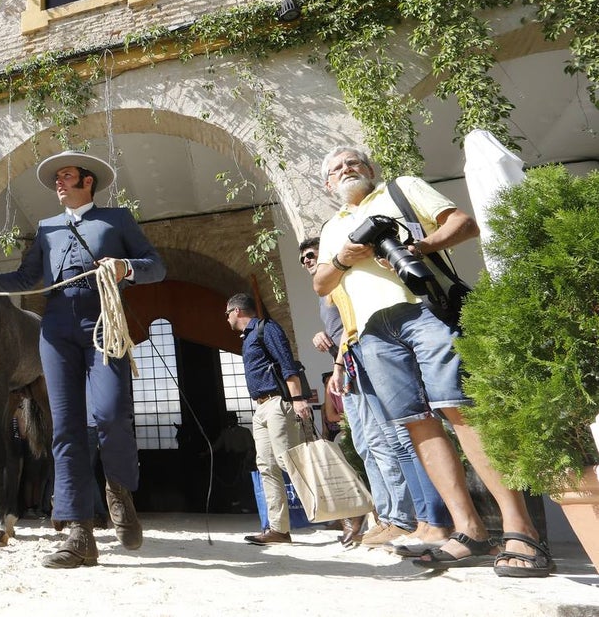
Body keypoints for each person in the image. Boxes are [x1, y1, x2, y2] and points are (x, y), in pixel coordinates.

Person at [314, 146, 551, 577]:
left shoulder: (401, 190)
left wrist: (416, 246)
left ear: (371, 170)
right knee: (417, 422)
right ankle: (468, 530)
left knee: (460, 410)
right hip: (369, 333)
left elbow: (464, 224)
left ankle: (520, 529)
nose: (346, 170)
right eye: (336, 169)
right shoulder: (332, 227)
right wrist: (341, 257)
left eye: (354, 163)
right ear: (328, 184)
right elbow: (320, 283)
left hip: (424, 309)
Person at [0, 150, 166, 568]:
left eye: (66, 177)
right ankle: (79, 531)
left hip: (104, 324)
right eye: (57, 179)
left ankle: (119, 492)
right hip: (57, 327)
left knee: (111, 414)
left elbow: (157, 266)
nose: (58, 184)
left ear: (88, 182)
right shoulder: (46, 228)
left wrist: (125, 267)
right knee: (64, 428)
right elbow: (26, 279)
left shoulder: (117, 220)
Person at [299, 236, 453, 551]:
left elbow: (353, 325)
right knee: (371, 444)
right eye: (303, 260)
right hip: (352, 362)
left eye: (313, 255)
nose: (308, 262)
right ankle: (395, 516)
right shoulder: (327, 292)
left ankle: (413, 518)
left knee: (398, 438)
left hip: (362, 357)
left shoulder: (346, 282)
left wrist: (341, 361)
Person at [225, 293, 312, 545]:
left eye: (226, 314)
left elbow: (287, 363)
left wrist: (297, 399)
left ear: (237, 311)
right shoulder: (249, 337)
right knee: (266, 466)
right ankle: (279, 529)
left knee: (290, 462)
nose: (226, 319)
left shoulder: (266, 328)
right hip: (260, 407)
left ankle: (345, 513)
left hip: (277, 403)